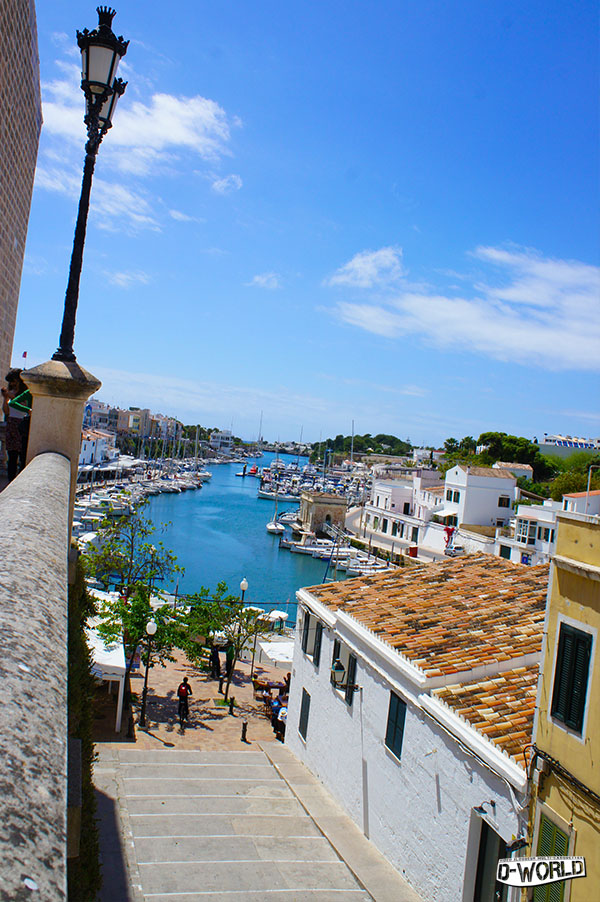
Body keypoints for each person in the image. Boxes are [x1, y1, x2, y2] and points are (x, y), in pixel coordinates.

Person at [2, 370, 31, 481]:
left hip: (21, 424)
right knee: (11, 456)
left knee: (22, 456)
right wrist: (6, 399)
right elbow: (6, 411)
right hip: (11, 424)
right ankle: (10, 480)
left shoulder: (25, 394)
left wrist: (12, 397)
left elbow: (25, 408)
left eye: (14, 381)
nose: (13, 384)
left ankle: (19, 480)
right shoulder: (11, 392)